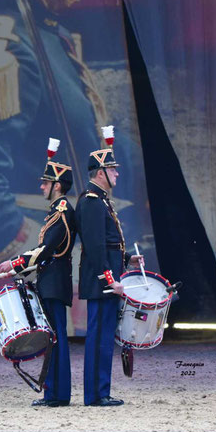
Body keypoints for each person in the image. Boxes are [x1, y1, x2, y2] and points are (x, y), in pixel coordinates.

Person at [0, 0, 107, 263]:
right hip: (49, 256)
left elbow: (75, 135)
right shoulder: (8, 45)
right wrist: (43, 258)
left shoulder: (46, 29)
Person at [0, 138, 75, 407]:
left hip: (54, 283)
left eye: (45, 183)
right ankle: (54, 393)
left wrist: (13, 264)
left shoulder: (61, 213)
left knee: (56, 340)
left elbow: (43, 250)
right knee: (54, 339)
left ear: (57, 185)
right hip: (50, 281)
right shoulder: (55, 212)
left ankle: (58, 395)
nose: (41, 187)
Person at [75, 126, 143, 406]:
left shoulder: (101, 201)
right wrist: (109, 279)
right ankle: (95, 395)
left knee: (104, 339)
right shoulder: (91, 202)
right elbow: (94, 247)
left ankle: (101, 391)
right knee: (99, 340)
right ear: (101, 172)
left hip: (108, 281)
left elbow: (108, 244)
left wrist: (127, 260)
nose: (117, 174)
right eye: (113, 170)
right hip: (103, 284)